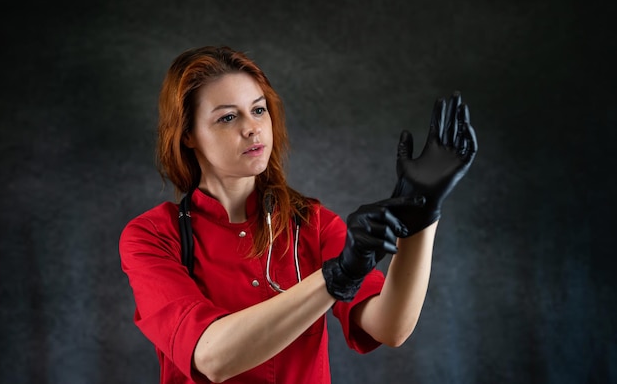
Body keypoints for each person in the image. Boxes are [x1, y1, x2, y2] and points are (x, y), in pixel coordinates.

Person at [119, 45, 477, 384]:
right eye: (228, 117)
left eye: (258, 110)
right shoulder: (152, 235)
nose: (252, 128)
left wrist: (421, 216)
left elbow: (389, 327)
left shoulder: (312, 223)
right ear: (187, 135)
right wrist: (335, 277)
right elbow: (212, 358)